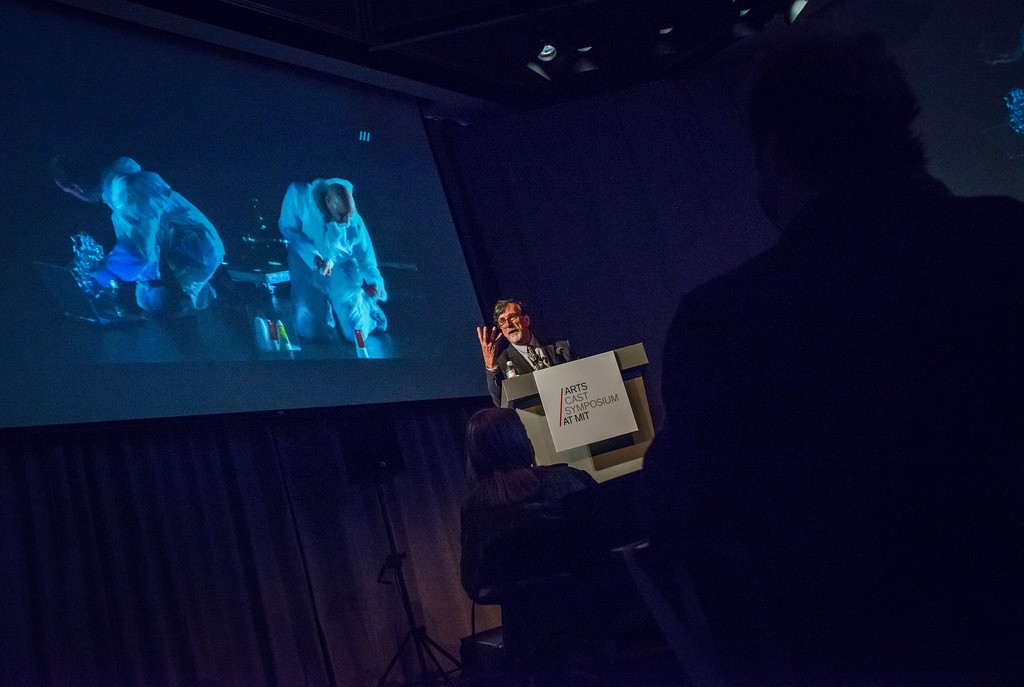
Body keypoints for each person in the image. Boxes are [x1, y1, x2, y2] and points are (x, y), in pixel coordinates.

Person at [642, 28, 1024, 685]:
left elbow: (688, 516)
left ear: (777, 152)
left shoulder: (724, 323)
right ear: (900, 125)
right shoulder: (1008, 242)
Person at [53, 156, 225, 314]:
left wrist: (102, 272)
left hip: (193, 256)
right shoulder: (121, 191)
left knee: (158, 305)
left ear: (77, 187)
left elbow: (137, 250)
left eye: (70, 192)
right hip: (188, 256)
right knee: (150, 300)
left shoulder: (129, 188)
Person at [460, 407, 596, 601]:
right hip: (593, 609)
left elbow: (474, 585)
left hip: (529, 625)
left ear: (476, 456)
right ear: (522, 441)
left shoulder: (476, 508)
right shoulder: (572, 479)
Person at [278, 178, 387, 343]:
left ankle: (367, 308)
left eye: (348, 215)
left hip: (342, 271)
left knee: (355, 334)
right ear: (328, 201)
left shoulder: (354, 223)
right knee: (309, 331)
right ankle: (323, 314)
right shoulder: (299, 197)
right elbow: (287, 227)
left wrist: (375, 283)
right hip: (307, 266)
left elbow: (367, 261)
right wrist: (313, 256)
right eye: (342, 215)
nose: (345, 220)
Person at [477, 299, 572, 406]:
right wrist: (491, 367)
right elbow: (501, 402)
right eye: (502, 321)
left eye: (512, 317)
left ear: (526, 320)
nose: (508, 324)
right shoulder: (502, 363)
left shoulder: (560, 345)